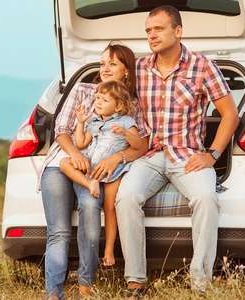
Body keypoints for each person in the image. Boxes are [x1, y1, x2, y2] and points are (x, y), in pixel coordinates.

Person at [115, 5, 239, 298]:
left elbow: (230, 115)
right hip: (150, 156)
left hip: (188, 155)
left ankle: (200, 283)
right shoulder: (140, 69)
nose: (152, 35)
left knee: (207, 198)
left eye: (158, 28)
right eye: (148, 30)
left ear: (178, 31)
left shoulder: (202, 66)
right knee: (127, 197)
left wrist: (212, 155)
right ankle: (135, 281)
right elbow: (111, 93)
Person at [37, 42, 150, 300]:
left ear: (127, 71)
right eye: (102, 63)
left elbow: (141, 145)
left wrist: (117, 158)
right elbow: (61, 131)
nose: (105, 68)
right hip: (62, 162)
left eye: (113, 63)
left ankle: (86, 285)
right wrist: (75, 153)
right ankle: (53, 293)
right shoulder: (82, 89)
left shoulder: (131, 105)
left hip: (92, 172)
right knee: (59, 231)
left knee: (90, 206)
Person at [60, 80, 143, 267]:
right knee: (65, 162)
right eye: (97, 98)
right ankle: (89, 183)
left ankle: (109, 249)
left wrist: (125, 133)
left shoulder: (126, 121)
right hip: (92, 165)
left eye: (104, 100)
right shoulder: (94, 121)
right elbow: (80, 143)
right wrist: (81, 123)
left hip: (113, 171)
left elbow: (138, 144)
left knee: (110, 209)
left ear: (118, 105)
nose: (97, 102)